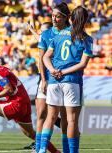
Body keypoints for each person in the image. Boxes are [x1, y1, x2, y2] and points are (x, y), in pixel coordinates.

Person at [0, 44, 59, 153]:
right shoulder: (0, 69)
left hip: (17, 103)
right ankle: (55, 152)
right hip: (24, 102)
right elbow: (10, 87)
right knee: (30, 133)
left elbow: (8, 89)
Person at [40, 6, 93, 153]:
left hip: (54, 80)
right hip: (71, 81)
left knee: (50, 117)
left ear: (70, 18)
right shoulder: (87, 39)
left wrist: (53, 71)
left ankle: (41, 150)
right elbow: (82, 64)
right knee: (71, 121)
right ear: (86, 20)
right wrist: (63, 72)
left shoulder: (57, 35)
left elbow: (45, 57)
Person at [35, 3, 71, 153]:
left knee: (63, 117)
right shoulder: (46, 34)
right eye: (52, 16)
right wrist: (43, 79)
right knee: (42, 114)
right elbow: (41, 58)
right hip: (47, 79)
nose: (54, 19)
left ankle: (66, 148)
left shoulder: (70, 32)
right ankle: (39, 149)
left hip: (65, 79)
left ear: (65, 17)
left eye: (57, 16)